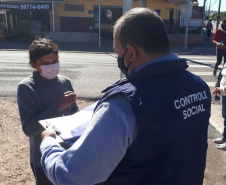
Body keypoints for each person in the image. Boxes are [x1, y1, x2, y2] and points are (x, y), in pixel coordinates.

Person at [40, 8, 211, 185]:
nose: (118, 58)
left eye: (117, 52)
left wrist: (48, 143)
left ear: (131, 53)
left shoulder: (124, 104)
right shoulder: (199, 86)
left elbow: (71, 175)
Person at [17, 38, 79, 185]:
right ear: (33, 64)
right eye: (45, 63)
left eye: (55, 61)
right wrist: (57, 108)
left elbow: (73, 113)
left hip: (68, 153)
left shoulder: (65, 82)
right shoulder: (26, 88)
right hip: (43, 158)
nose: (51, 66)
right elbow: (29, 128)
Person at [212, 65, 226, 150]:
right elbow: (221, 75)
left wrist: (221, 90)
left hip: (223, 91)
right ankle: (224, 137)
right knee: (225, 117)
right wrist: (218, 85)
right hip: (224, 94)